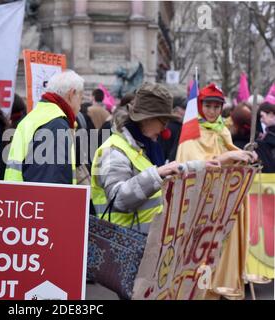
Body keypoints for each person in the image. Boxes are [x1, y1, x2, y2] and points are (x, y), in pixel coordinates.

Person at [91, 82, 215, 232]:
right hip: (121, 245)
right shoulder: (114, 151)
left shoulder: (145, 146)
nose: (165, 128)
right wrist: (157, 174)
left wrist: (202, 166)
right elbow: (119, 199)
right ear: (147, 119)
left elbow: (167, 172)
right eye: (163, 121)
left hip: (144, 244)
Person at [175, 83, 257, 300]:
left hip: (223, 202)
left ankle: (219, 288)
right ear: (200, 106)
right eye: (208, 106)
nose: (212, 111)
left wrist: (246, 158)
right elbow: (190, 166)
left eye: (216, 107)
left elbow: (231, 157)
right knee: (199, 253)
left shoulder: (222, 130)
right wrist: (225, 158)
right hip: (201, 205)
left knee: (220, 249)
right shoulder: (190, 132)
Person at [4, 70, 84, 184]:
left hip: (21, 198)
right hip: (39, 200)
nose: (80, 105)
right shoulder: (57, 125)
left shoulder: (33, 117)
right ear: (71, 94)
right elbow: (51, 182)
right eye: (81, 98)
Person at [158, 96, 186, 162]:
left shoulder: (182, 126)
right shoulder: (168, 127)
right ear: (175, 110)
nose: (186, 111)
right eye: (184, 108)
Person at [254, 102, 275, 172]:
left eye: (262, 116)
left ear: (271, 115)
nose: (261, 120)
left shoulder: (270, 134)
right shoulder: (268, 132)